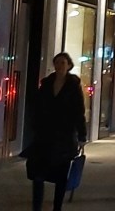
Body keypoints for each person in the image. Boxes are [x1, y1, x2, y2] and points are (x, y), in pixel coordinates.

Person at [25, 52, 87, 211]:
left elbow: (79, 111)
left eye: (63, 63)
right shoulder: (46, 83)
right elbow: (37, 105)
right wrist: (35, 126)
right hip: (45, 136)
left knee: (61, 175)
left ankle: (57, 207)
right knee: (38, 174)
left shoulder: (73, 86)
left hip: (64, 137)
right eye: (57, 63)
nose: (59, 66)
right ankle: (36, 207)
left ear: (69, 66)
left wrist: (82, 135)